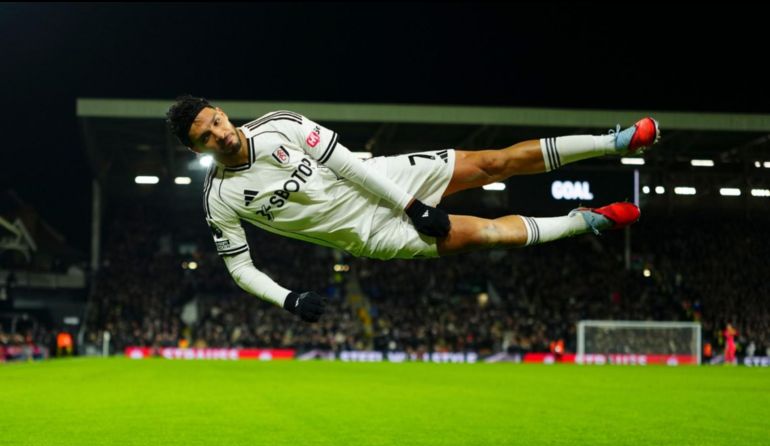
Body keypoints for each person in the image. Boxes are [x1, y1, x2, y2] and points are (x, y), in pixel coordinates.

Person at [166, 95, 659, 323]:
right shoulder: (221, 197)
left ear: (221, 112)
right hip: (371, 234)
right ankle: (585, 221)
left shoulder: (281, 125)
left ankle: (613, 141)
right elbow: (239, 268)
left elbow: (346, 163)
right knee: (489, 235)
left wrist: (413, 202)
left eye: (215, 121)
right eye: (205, 137)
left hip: (386, 179)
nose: (218, 133)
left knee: (494, 162)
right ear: (198, 151)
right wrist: (287, 298)